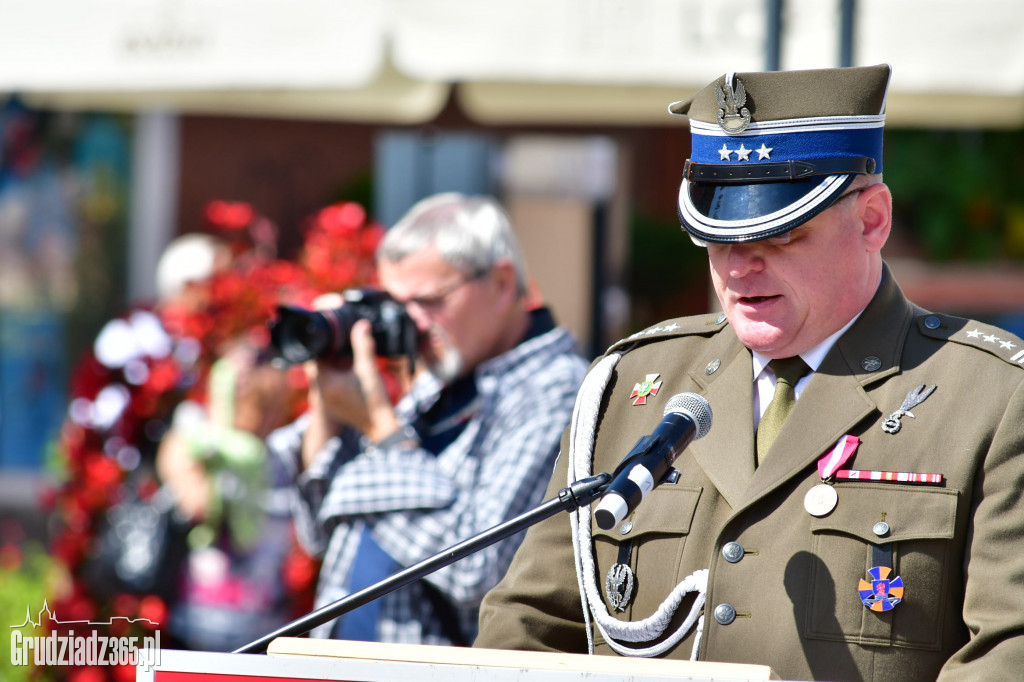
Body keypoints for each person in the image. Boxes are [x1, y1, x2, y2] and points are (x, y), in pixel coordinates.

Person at [475, 64, 1024, 680]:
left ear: (870, 219)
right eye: (718, 235)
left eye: (780, 234)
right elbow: (532, 627)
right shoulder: (633, 383)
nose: (740, 267)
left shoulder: (993, 398)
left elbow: (1009, 652)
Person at [268, 192, 589, 644]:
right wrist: (328, 405)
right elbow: (316, 528)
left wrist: (381, 430)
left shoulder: (557, 392)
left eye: (429, 301)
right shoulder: (439, 379)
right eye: (398, 305)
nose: (412, 324)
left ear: (500, 282)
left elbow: (477, 570)